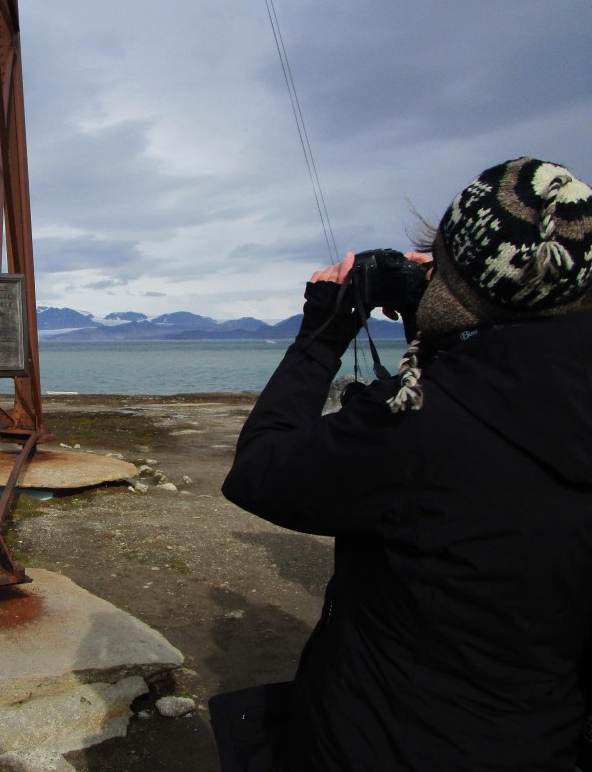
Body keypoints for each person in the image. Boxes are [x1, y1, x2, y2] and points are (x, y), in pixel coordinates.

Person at [213, 157, 592, 771]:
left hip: (390, 743)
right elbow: (508, 381)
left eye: (441, 262)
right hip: (541, 738)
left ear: (463, 279)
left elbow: (261, 470)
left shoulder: (419, 426)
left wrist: (325, 326)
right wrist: (448, 320)